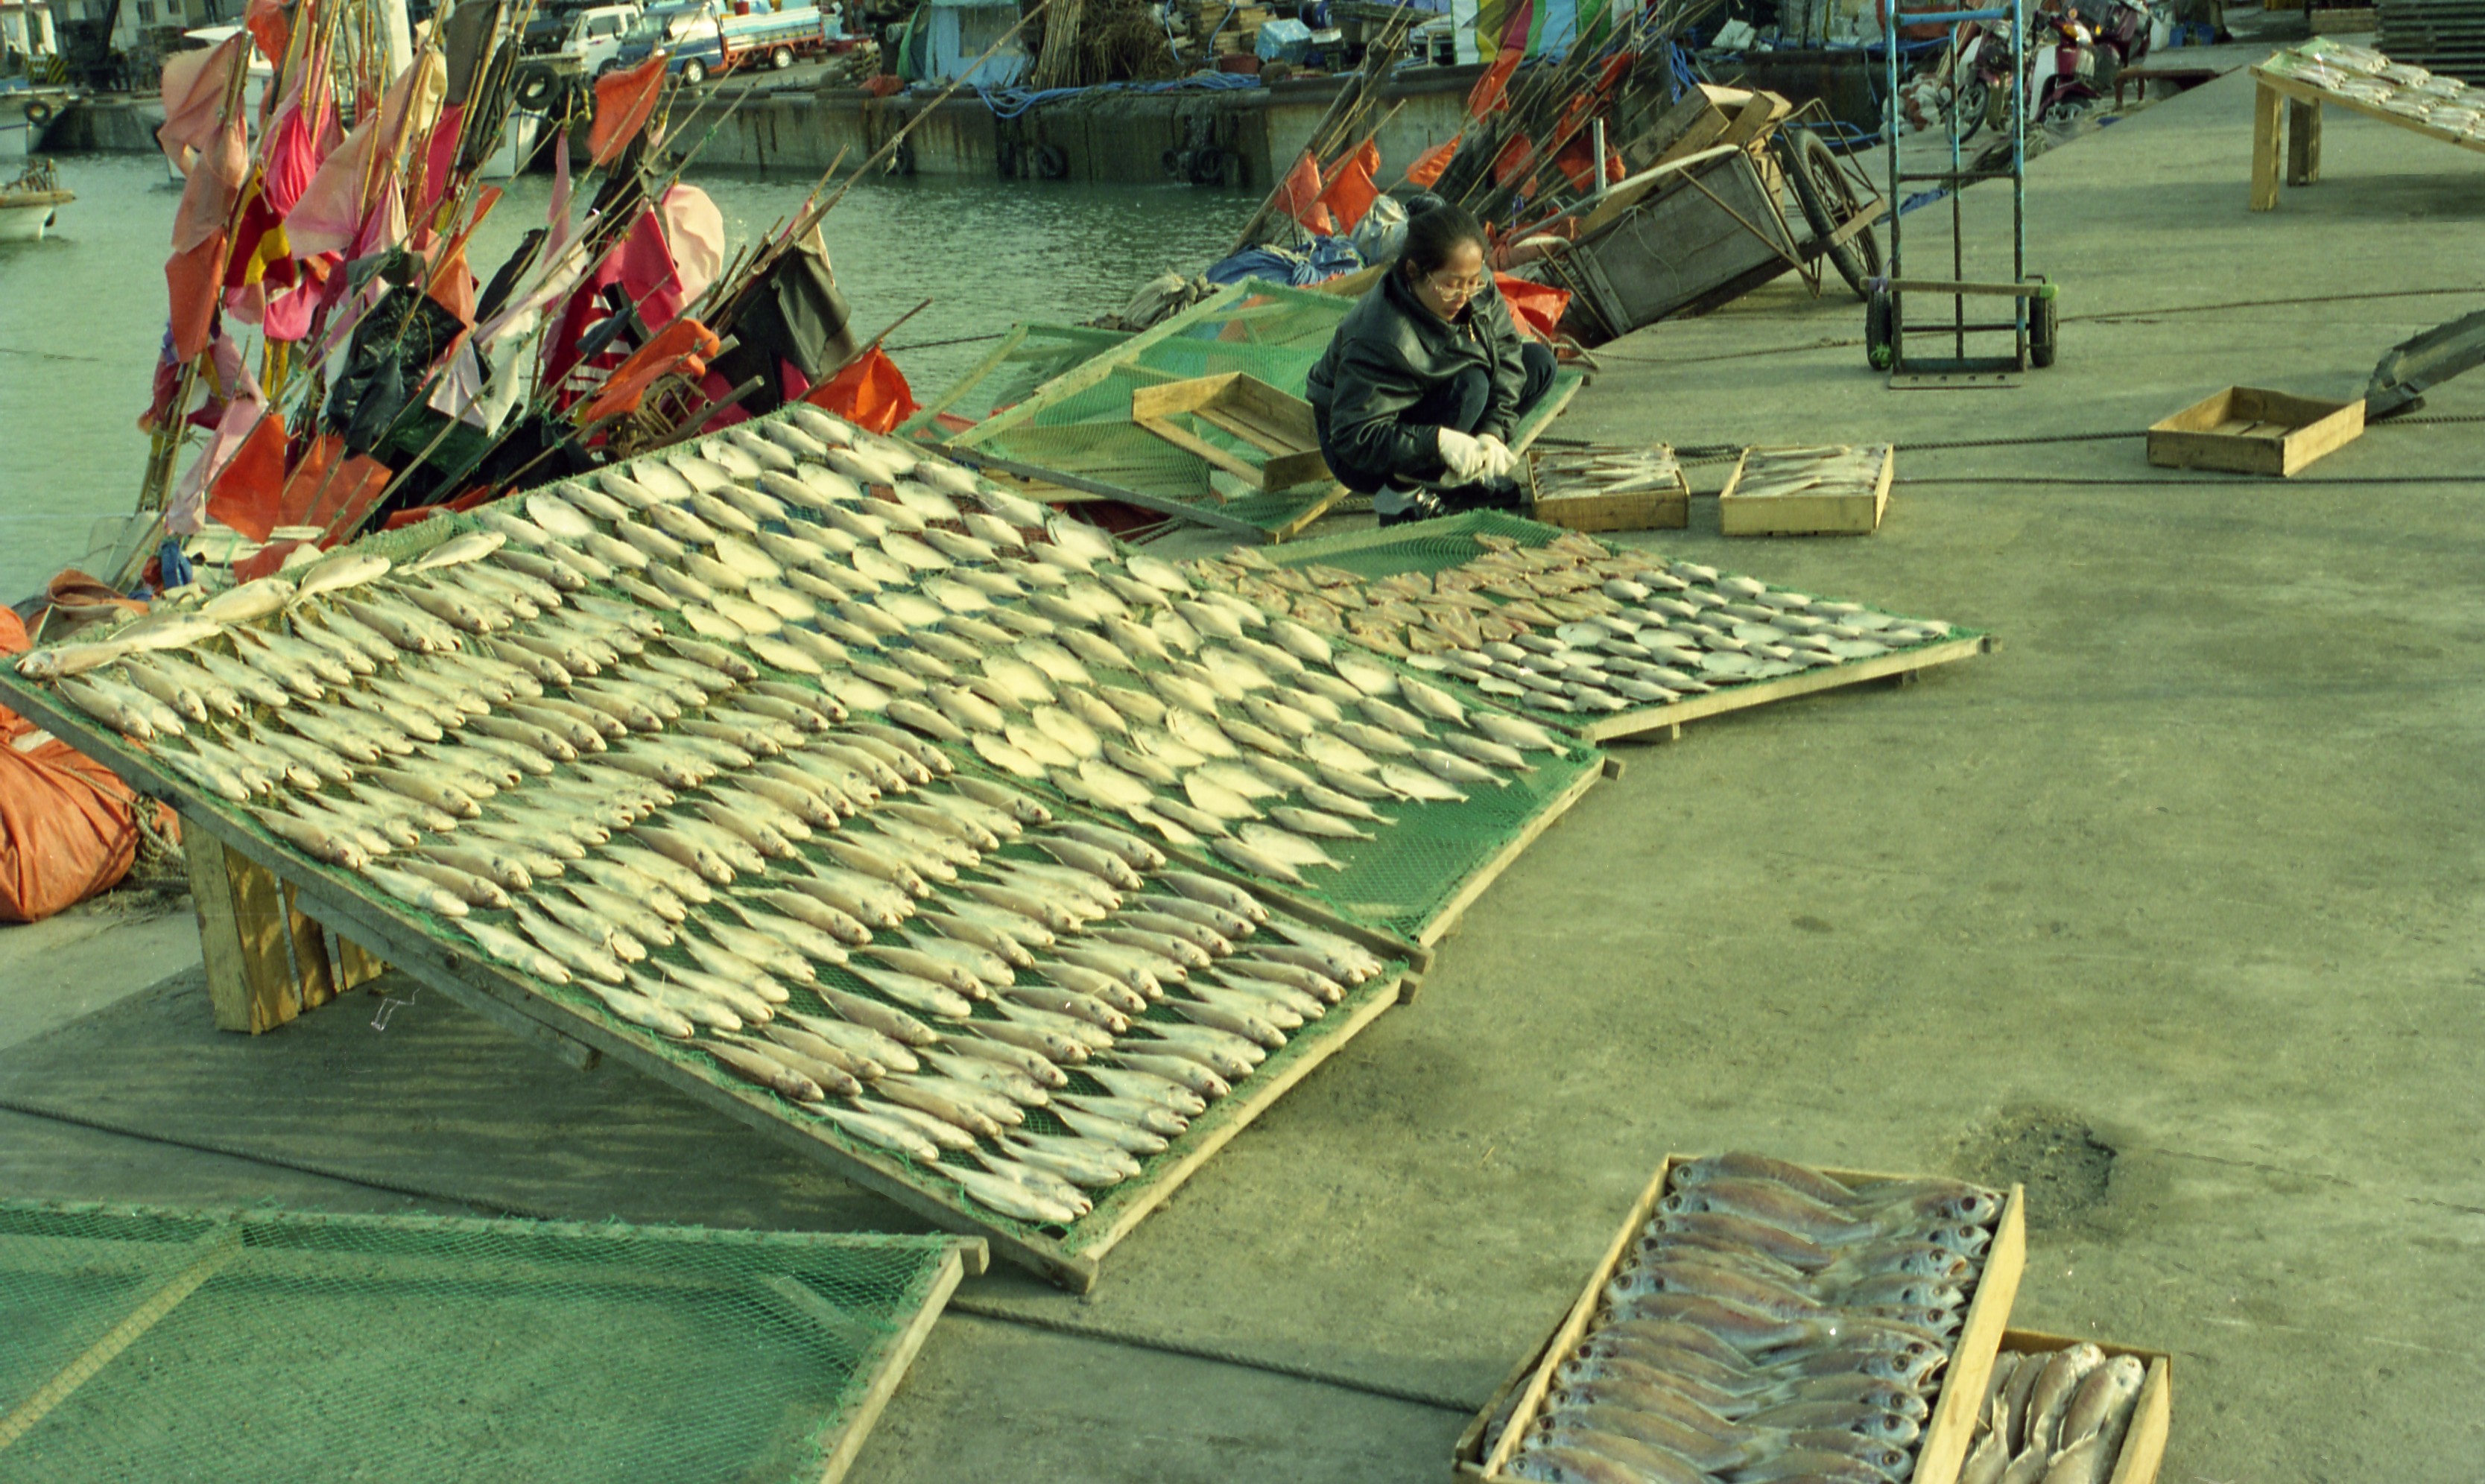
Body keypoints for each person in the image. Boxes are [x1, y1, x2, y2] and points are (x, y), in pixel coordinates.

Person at [1306, 201, 1559, 526]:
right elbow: (1353, 436)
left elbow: (1508, 353)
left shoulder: (1475, 285)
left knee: (1539, 363)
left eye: (1473, 281)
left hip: (1434, 391)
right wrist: (1437, 442)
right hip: (1357, 449)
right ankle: (1400, 494)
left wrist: (1492, 432)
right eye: (1451, 285)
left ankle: (1464, 475)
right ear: (1414, 272)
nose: (1464, 296)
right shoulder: (1380, 332)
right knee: (1471, 386)